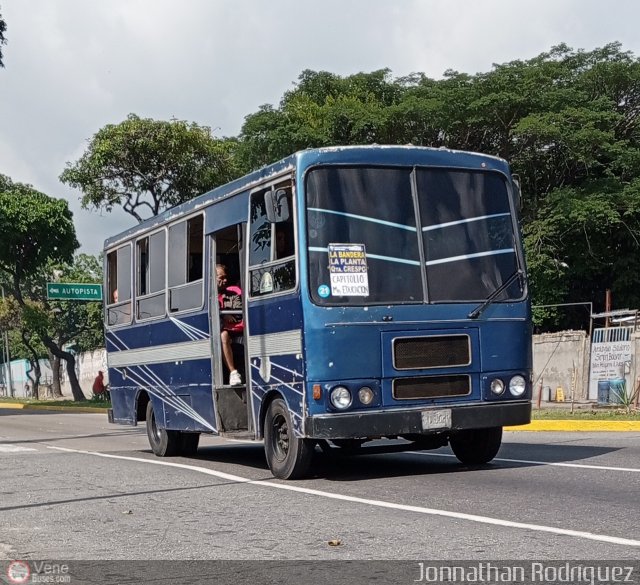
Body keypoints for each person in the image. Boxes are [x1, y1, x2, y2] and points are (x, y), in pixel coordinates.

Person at [216, 264, 243, 386]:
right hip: (222, 332)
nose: (225, 280)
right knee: (223, 335)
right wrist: (222, 315)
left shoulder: (234, 293)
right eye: (221, 278)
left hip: (239, 330)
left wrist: (225, 314)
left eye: (225, 277)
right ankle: (233, 373)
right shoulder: (207, 298)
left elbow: (237, 315)